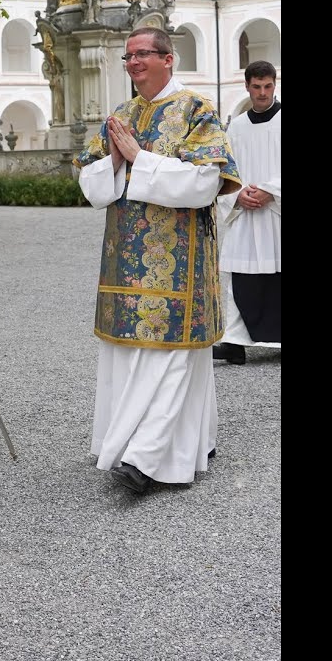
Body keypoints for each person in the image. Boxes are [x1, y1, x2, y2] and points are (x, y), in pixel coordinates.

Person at [72, 28, 241, 494]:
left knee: (173, 354)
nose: (133, 63)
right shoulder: (120, 115)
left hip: (179, 261)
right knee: (131, 354)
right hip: (124, 261)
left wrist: (139, 158)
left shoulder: (196, 109)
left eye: (142, 54)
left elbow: (206, 183)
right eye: (128, 56)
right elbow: (90, 186)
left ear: (169, 58)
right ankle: (156, 441)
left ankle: (146, 459)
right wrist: (114, 160)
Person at [214, 61, 281, 364]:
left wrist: (272, 191)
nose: (263, 93)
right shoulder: (237, 127)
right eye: (257, 87)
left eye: (268, 86)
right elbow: (226, 170)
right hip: (245, 213)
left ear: (274, 85)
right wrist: (237, 195)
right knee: (240, 279)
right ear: (247, 86)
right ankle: (234, 343)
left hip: (277, 213)